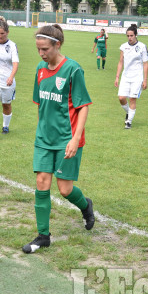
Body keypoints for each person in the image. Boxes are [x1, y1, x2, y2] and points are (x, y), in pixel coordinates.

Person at [24, 24, 95, 254]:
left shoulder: (73, 70)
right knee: (42, 183)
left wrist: (75, 139)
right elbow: (40, 104)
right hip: (44, 138)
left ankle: (86, 206)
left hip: (67, 138)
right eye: (38, 49)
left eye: (45, 49)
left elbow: (83, 107)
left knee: (65, 190)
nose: (42, 54)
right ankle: (43, 236)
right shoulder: (40, 69)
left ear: (57, 44)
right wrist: (41, 131)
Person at [115, 24, 148, 129]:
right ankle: (129, 112)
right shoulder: (123, 46)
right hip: (125, 77)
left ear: (136, 35)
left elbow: (145, 64)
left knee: (132, 99)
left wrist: (145, 80)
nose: (129, 38)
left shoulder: (142, 47)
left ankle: (128, 122)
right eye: (128, 36)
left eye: (131, 35)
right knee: (121, 98)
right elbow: (120, 62)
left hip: (137, 77)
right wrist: (117, 76)